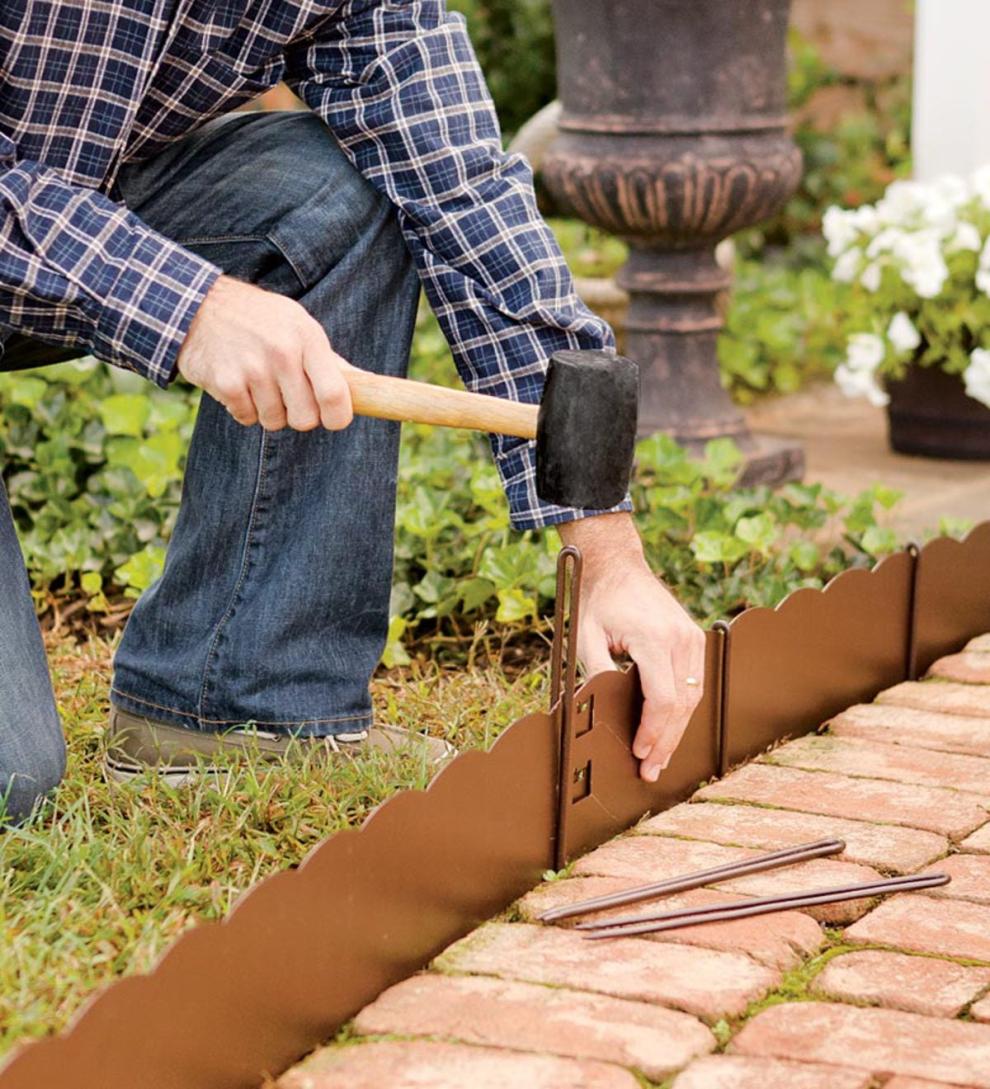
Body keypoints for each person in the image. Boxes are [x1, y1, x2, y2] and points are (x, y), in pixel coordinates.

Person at [0, 1, 706, 821]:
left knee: (336, 196)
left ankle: (240, 699)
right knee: (11, 781)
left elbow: (464, 195)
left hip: (61, 215)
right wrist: (185, 306)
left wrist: (607, 547)